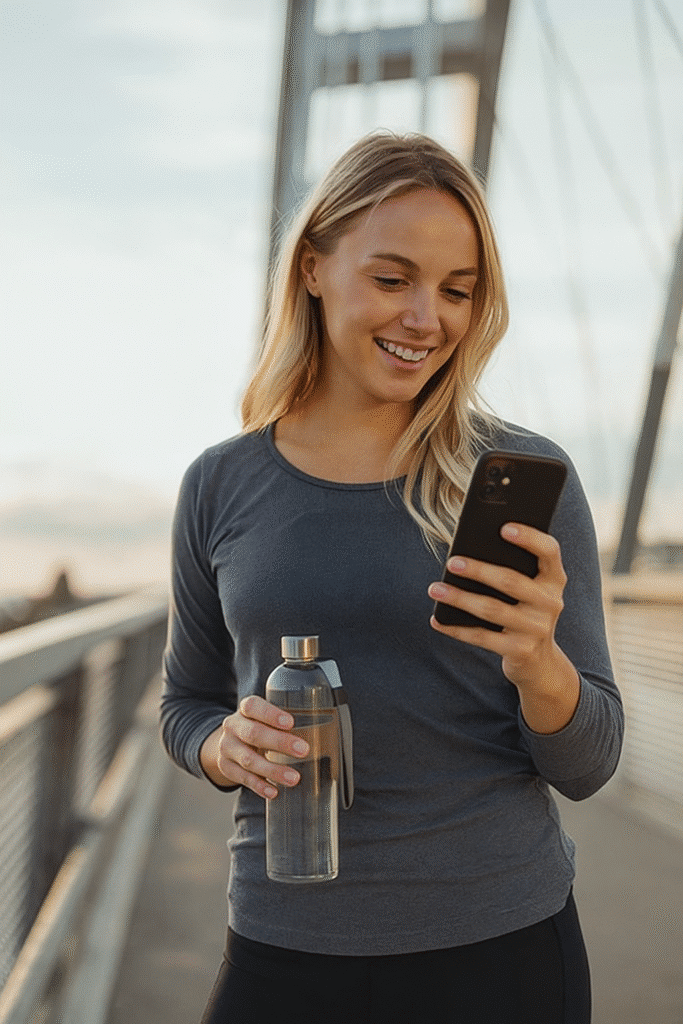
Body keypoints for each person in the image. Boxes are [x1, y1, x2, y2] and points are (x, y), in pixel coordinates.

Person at [161, 131, 623, 1024]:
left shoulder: (522, 476)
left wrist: (538, 664)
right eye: (391, 279)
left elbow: (590, 763)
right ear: (310, 268)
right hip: (283, 938)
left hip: (500, 946)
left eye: (457, 291)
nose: (427, 319)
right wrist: (224, 747)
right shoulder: (220, 484)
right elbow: (186, 704)